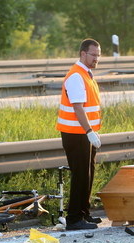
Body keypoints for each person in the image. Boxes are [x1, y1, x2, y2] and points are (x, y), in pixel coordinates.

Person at [56, 38, 103, 230]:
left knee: (88, 173)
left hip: (84, 133)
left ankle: (84, 212)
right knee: (80, 175)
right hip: (77, 134)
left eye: (99, 56)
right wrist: (89, 131)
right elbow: (78, 108)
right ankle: (74, 218)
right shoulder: (76, 76)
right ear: (83, 53)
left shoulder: (87, 74)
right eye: (93, 55)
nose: (96, 59)